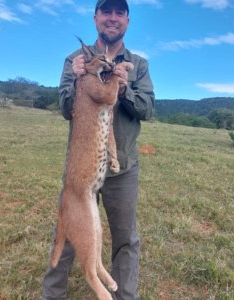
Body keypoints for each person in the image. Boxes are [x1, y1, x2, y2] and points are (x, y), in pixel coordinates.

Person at [42, 0, 155, 299]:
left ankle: (124, 296)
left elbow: (147, 109)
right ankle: (52, 295)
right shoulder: (75, 60)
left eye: (120, 13)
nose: (112, 18)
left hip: (122, 168)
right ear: (96, 19)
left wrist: (124, 86)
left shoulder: (138, 64)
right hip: (82, 167)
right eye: (107, 12)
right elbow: (66, 108)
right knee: (67, 232)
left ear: (127, 21)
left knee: (125, 240)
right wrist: (79, 78)